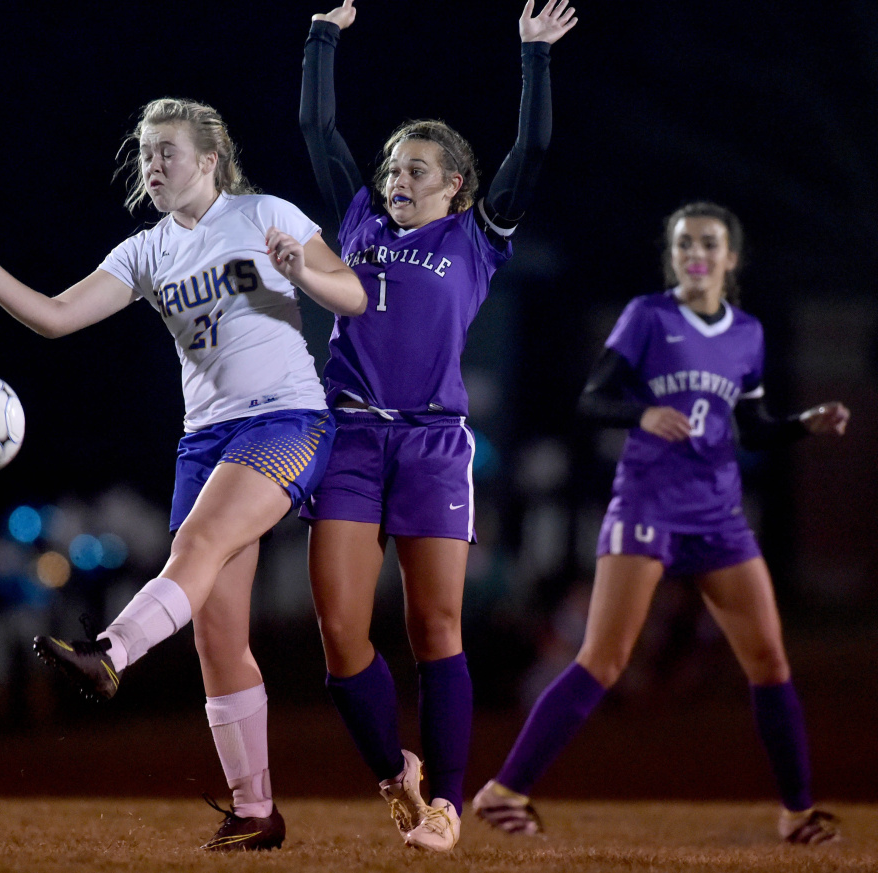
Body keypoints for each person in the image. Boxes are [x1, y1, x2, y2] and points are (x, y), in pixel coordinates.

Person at [0, 97, 366, 852]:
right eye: (145, 153)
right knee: (218, 634)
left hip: (285, 420)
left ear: (209, 159)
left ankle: (110, 652)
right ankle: (256, 810)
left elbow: (354, 296)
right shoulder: (145, 250)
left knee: (194, 549)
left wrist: (306, 268)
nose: (153, 164)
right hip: (203, 440)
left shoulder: (264, 212)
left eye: (167, 150)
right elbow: (55, 315)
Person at [472, 201, 848, 845]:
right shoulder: (648, 316)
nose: (694, 254)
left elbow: (753, 427)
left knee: (770, 663)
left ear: (731, 258)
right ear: (673, 256)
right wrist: (640, 416)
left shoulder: (747, 333)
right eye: (682, 245)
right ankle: (503, 791)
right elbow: (594, 399)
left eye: (707, 243)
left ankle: (797, 813)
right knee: (604, 660)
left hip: (718, 515)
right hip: (646, 505)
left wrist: (802, 425)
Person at [298, 0, 577, 853]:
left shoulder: (477, 236)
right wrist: (322, 35)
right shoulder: (358, 222)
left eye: (418, 169)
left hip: (432, 442)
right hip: (347, 434)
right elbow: (318, 124)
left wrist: (532, 57)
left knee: (435, 629)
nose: (398, 178)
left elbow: (531, 152)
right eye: (392, 167)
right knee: (341, 636)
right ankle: (396, 769)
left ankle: (448, 804)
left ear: (456, 183)